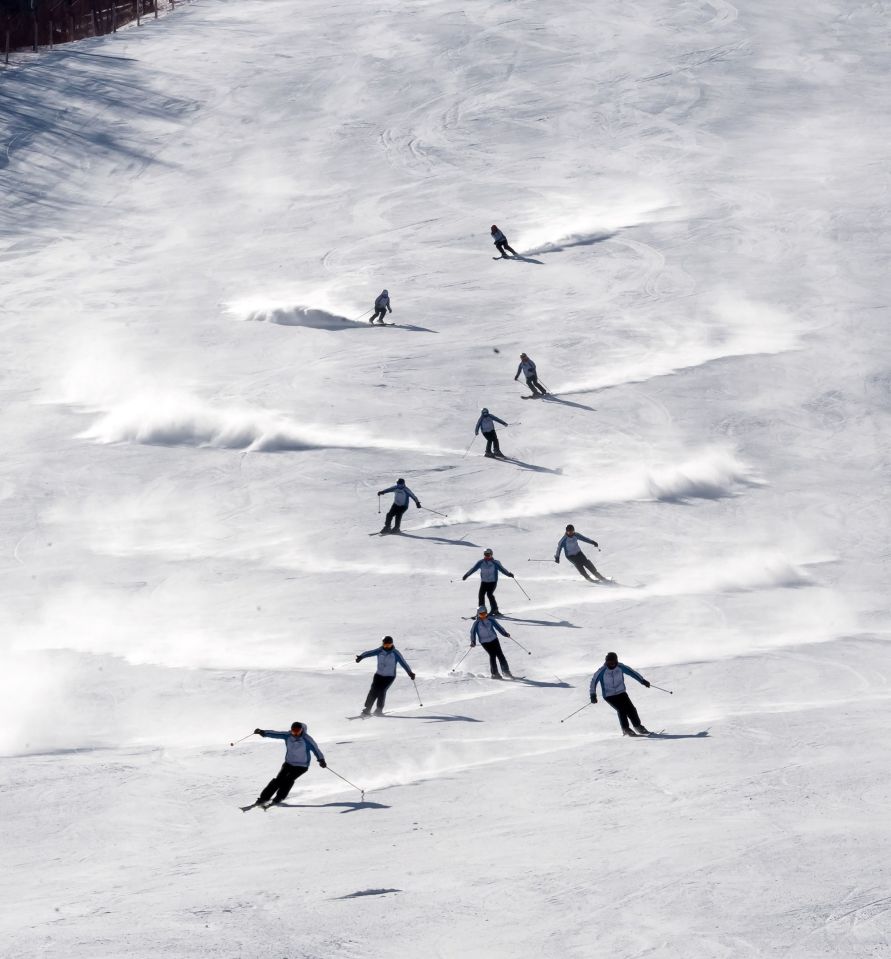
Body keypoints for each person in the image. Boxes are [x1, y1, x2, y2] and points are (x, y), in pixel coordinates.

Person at [249, 721, 326, 807]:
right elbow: (275, 734)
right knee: (278, 780)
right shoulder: (288, 736)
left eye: (298, 731)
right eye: (294, 731)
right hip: (288, 763)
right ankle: (263, 798)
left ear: (301, 730)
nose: (295, 733)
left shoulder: (307, 739)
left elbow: (316, 749)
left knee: (288, 780)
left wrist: (321, 759)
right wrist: (263, 732)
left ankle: (279, 798)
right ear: (291, 730)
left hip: (302, 766)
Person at [590, 652, 651, 736]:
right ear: (606, 662)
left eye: (614, 662)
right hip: (609, 695)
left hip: (621, 692)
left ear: (616, 661)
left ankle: (638, 726)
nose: (612, 664)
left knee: (631, 709)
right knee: (621, 709)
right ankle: (625, 729)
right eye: (610, 662)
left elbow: (632, 673)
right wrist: (593, 695)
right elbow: (593, 682)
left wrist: (642, 681)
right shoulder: (601, 671)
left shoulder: (620, 667)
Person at [356, 635, 416, 716]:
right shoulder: (379, 651)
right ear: (383, 644)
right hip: (378, 675)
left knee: (381, 691)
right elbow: (369, 653)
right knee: (373, 691)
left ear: (392, 644)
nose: (387, 647)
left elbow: (403, 663)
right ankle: (367, 709)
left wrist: (410, 673)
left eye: (389, 645)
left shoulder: (395, 653)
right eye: (385, 645)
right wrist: (361, 657)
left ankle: (379, 709)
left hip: (389, 676)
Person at [462, 547, 514, 615]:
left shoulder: (495, 562)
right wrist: (466, 575)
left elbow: (502, 569)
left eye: (488, 555)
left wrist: (508, 574)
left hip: (492, 582)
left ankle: (495, 609)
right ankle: (481, 611)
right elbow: (473, 569)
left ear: (491, 554)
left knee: (489, 594)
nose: (487, 556)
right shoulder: (481, 562)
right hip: (484, 582)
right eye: (485, 555)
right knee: (481, 595)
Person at [470, 606, 513, 679]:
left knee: (500, 655)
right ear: (478, 614)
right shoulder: (476, 623)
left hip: (494, 639)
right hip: (485, 642)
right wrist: (473, 641)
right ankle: (495, 674)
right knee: (492, 655)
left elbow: (498, 627)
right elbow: (472, 633)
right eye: (481, 614)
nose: (483, 616)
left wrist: (504, 633)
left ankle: (506, 672)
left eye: (484, 614)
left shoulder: (490, 619)